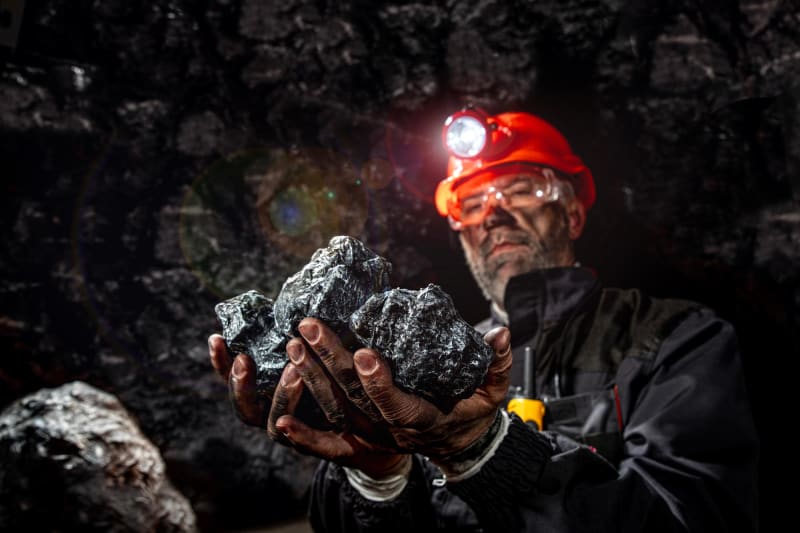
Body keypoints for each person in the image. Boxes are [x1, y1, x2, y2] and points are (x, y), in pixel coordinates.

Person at [209, 109, 758, 532]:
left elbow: (698, 518)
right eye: (473, 202)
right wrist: (377, 474)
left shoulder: (678, 341)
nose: (494, 211)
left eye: (521, 189)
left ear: (572, 211)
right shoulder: (404, 365)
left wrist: (484, 450)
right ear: (462, 231)